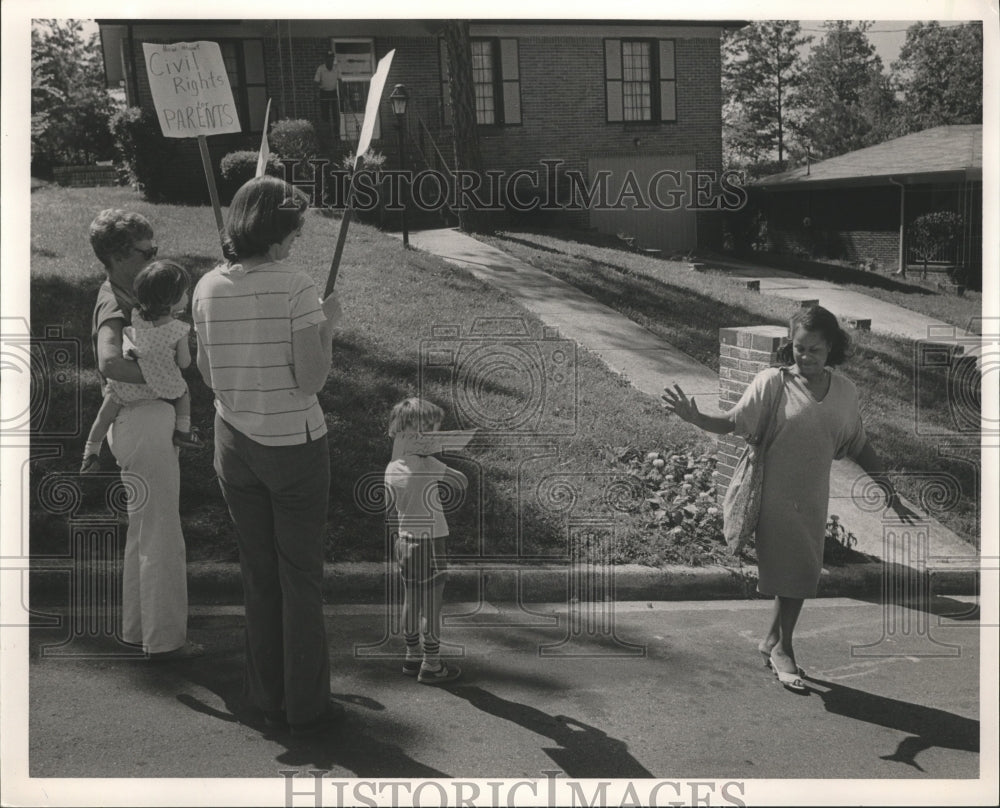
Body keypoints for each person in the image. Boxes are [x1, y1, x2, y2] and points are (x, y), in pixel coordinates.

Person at [661, 305, 917, 693]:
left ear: (830, 347)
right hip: (773, 495)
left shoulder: (845, 392)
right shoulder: (772, 383)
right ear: (790, 346)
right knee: (796, 573)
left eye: (814, 350)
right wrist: (697, 418)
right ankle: (785, 649)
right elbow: (733, 421)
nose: (805, 357)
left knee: (800, 572)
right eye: (799, 348)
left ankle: (770, 641)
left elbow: (858, 444)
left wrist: (887, 488)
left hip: (812, 498)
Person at [192, 176, 344, 735]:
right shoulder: (296, 285)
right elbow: (311, 380)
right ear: (279, 231)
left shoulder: (205, 285)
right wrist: (327, 328)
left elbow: (207, 374)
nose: (300, 236)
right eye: (297, 226)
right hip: (294, 445)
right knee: (300, 576)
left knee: (258, 574)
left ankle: (267, 697)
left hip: (233, 443)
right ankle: (306, 706)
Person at [88, 209, 202, 660]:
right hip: (143, 419)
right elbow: (110, 362)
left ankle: (141, 631)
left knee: (145, 529)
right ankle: (166, 641)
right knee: (162, 533)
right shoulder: (116, 302)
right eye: (147, 251)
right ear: (118, 256)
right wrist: (166, 374)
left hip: (133, 422)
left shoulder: (125, 294)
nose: (156, 256)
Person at [81, 260, 203, 473]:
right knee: (183, 392)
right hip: (160, 383)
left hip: (128, 381)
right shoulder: (178, 330)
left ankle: (91, 452)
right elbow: (184, 363)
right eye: (185, 292)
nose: (187, 296)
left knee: (105, 415)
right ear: (171, 300)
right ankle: (183, 430)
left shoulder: (136, 316)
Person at [384, 398, 467, 685]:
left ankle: (411, 655)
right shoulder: (428, 463)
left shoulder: (392, 467)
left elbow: (390, 512)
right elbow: (462, 481)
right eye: (432, 431)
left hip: (405, 541)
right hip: (431, 541)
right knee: (431, 606)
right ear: (419, 434)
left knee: (411, 597)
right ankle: (431, 664)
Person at [313, 51, 341, 136]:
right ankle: (327, 134)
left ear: (333, 59)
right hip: (324, 93)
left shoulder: (337, 68)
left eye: (332, 59)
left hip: (333, 92)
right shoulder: (320, 69)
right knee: (325, 114)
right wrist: (316, 94)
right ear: (325, 60)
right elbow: (316, 82)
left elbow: (340, 81)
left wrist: (342, 93)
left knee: (335, 113)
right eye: (328, 59)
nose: (330, 61)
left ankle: (336, 134)